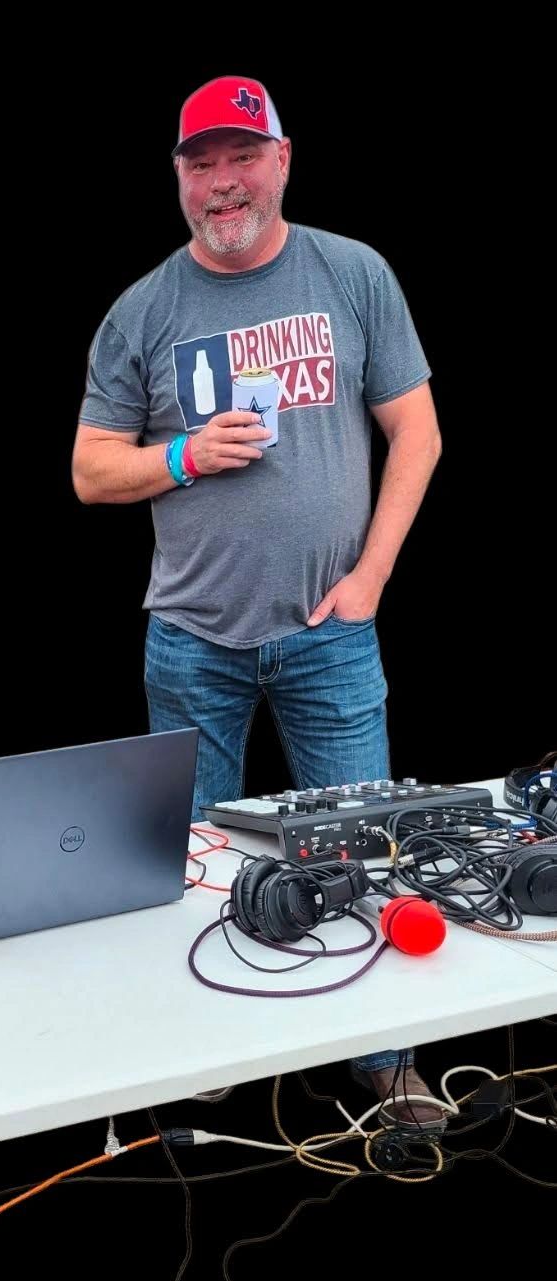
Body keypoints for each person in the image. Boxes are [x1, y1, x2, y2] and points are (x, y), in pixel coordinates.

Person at [71, 76, 446, 1131]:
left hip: (329, 633)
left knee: (358, 844)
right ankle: (208, 1046)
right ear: (179, 178)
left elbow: (414, 433)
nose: (221, 182)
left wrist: (369, 577)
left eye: (241, 157)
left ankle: (383, 1057)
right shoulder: (144, 308)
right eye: (200, 163)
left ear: (280, 159)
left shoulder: (350, 273)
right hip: (190, 639)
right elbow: (90, 473)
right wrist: (183, 455)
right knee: (196, 860)